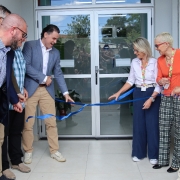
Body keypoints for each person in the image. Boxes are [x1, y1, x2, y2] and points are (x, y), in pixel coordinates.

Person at [22, 24, 74, 164]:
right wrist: (44, 78)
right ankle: (28, 151)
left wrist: (65, 93)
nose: (55, 42)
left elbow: (58, 72)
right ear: (45, 34)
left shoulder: (55, 53)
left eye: (56, 39)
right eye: (54, 38)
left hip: (47, 91)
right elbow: (26, 66)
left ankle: (54, 151)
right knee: (28, 123)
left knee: (51, 122)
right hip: (30, 90)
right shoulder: (30, 46)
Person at [108, 37, 161, 165]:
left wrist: (151, 98)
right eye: (134, 50)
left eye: (137, 50)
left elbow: (159, 83)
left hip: (152, 93)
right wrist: (118, 93)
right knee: (138, 124)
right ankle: (138, 152)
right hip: (138, 93)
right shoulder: (134, 62)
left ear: (144, 49)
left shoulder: (155, 62)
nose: (135, 53)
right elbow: (130, 81)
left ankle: (154, 154)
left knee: (152, 124)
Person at [0, 6, 30, 180]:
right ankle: (4, 167)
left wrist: (20, 92)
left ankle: (16, 160)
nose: (24, 39)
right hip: (7, 98)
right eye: (23, 35)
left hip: (15, 95)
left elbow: (12, 76)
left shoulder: (10, 51)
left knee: (15, 131)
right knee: (3, 136)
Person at [152, 32, 180, 173]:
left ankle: (176, 163)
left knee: (179, 130)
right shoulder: (160, 60)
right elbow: (158, 77)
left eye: (157, 45)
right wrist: (161, 81)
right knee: (163, 128)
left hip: (179, 97)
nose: (156, 48)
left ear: (166, 44)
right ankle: (162, 160)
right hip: (166, 96)